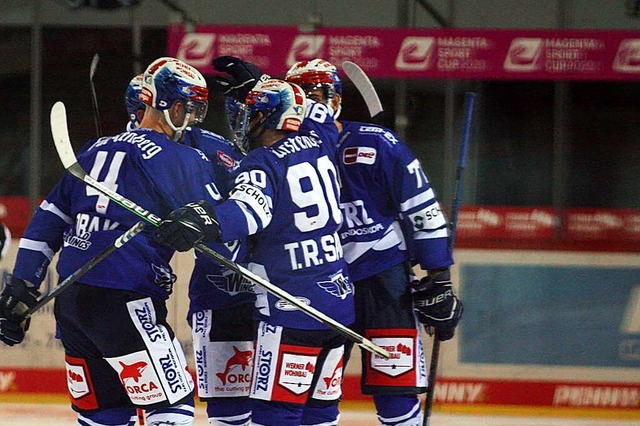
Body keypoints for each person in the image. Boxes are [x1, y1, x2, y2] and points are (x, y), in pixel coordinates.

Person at [0, 56, 222, 426]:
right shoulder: (182, 158)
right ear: (170, 105)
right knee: (172, 404)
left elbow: (47, 221)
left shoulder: (94, 150)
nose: (194, 119)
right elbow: (219, 221)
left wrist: (20, 286)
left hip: (72, 304)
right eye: (190, 108)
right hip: (127, 298)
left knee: (102, 414)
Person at [154, 78, 354, 426]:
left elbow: (248, 212)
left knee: (273, 416)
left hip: (291, 309)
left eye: (252, 114)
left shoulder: (262, 162)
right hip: (338, 307)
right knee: (320, 415)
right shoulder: (322, 142)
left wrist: (205, 218)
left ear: (267, 118)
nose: (244, 122)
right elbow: (320, 114)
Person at [285, 59, 463, 426]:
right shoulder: (283, 155)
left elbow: (421, 206)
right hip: (321, 283)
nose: (306, 107)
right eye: (297, 100)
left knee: (395, 390)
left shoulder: (377, 143)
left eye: (314, 97)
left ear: (334, 98)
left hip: (384, 280)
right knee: (315, 393)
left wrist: (439, 279)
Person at [124, 58, 257, 426]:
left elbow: (261, 197)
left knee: (284, 408)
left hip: (269, 289)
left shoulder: (212, 149)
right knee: (229, 410)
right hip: (219, 295)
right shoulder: (135, 155)